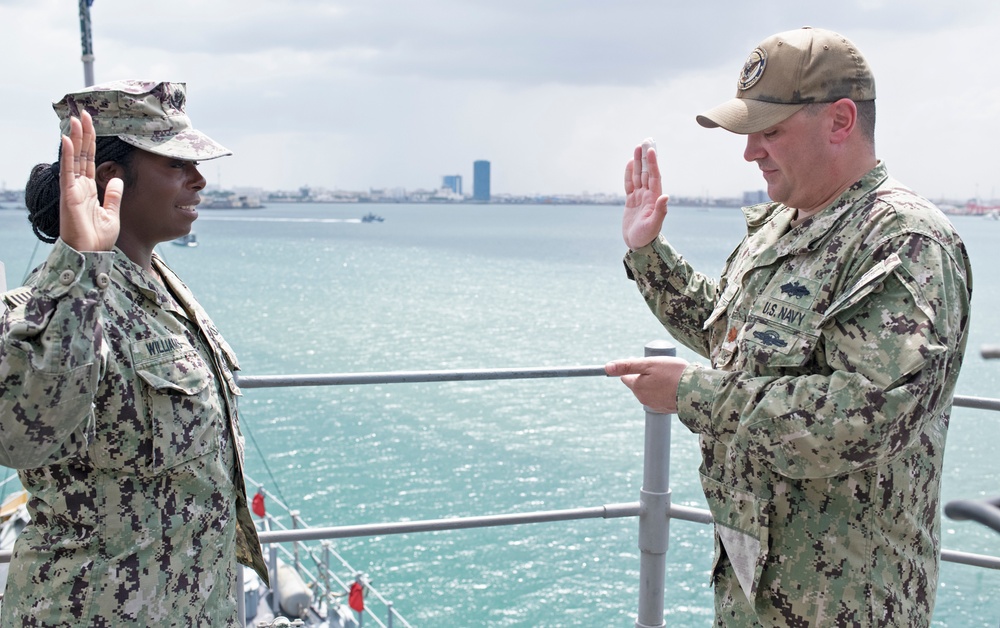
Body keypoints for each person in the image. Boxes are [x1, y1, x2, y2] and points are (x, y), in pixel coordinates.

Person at [604, 27, 972, 626]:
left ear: (841, 120)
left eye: (770, 131)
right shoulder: (782, 226)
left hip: (847, 602)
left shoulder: (904, 242)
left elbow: (863, 415)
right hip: (756, 592)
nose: (750, 151)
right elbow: (733, 341)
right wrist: (649, 253)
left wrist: (692, 394)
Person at [0, 80, 268, 626]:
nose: (199, 179)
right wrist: (80, 264)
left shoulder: (161, 288)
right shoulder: (48, 305)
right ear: (108, 179)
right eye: (175, 163)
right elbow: (20, 435)